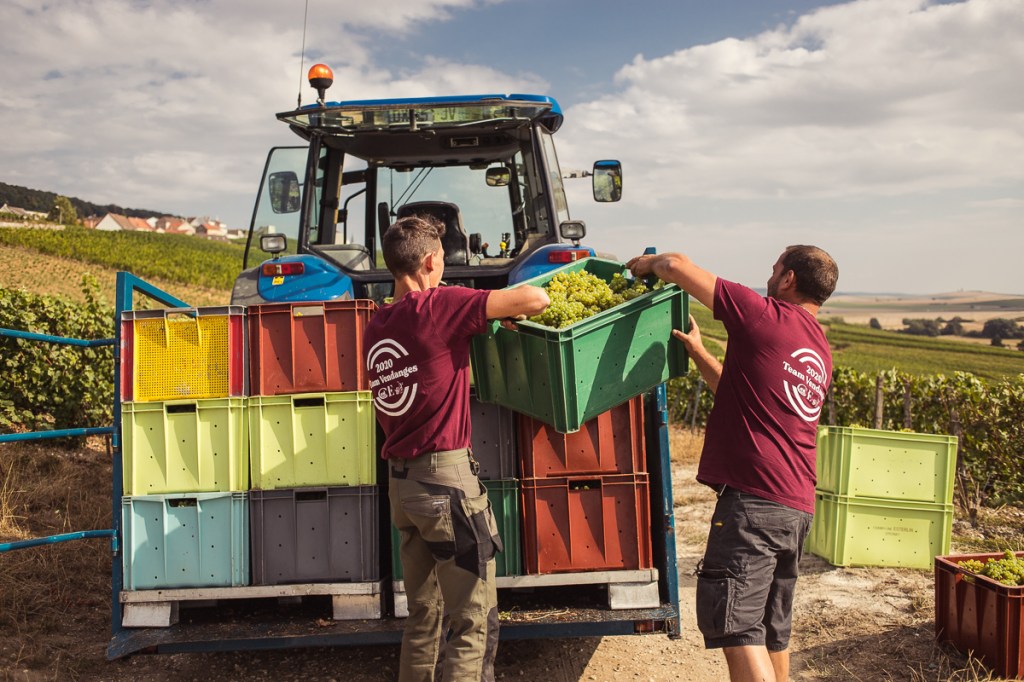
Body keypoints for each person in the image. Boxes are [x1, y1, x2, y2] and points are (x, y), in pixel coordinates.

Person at [628, 245, 838, 682]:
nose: (770, 274)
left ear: (789, 279)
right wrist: (700, 351)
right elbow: (742, 392)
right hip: (795, 506)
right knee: (770, 628)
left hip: (754, 506)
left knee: (736, 623)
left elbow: (674, 267)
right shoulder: (819, 348)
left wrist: (648, 264)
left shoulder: (763, 314)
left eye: (775, 267)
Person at [363, 214, 549, 682]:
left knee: (423, 617)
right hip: (446, 484)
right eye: (442, 261)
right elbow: (536, 298)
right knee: (472, 619)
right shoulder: (439, 306)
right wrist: (497, 310)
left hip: (403, 488)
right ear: (429, 261)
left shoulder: (377, 324)